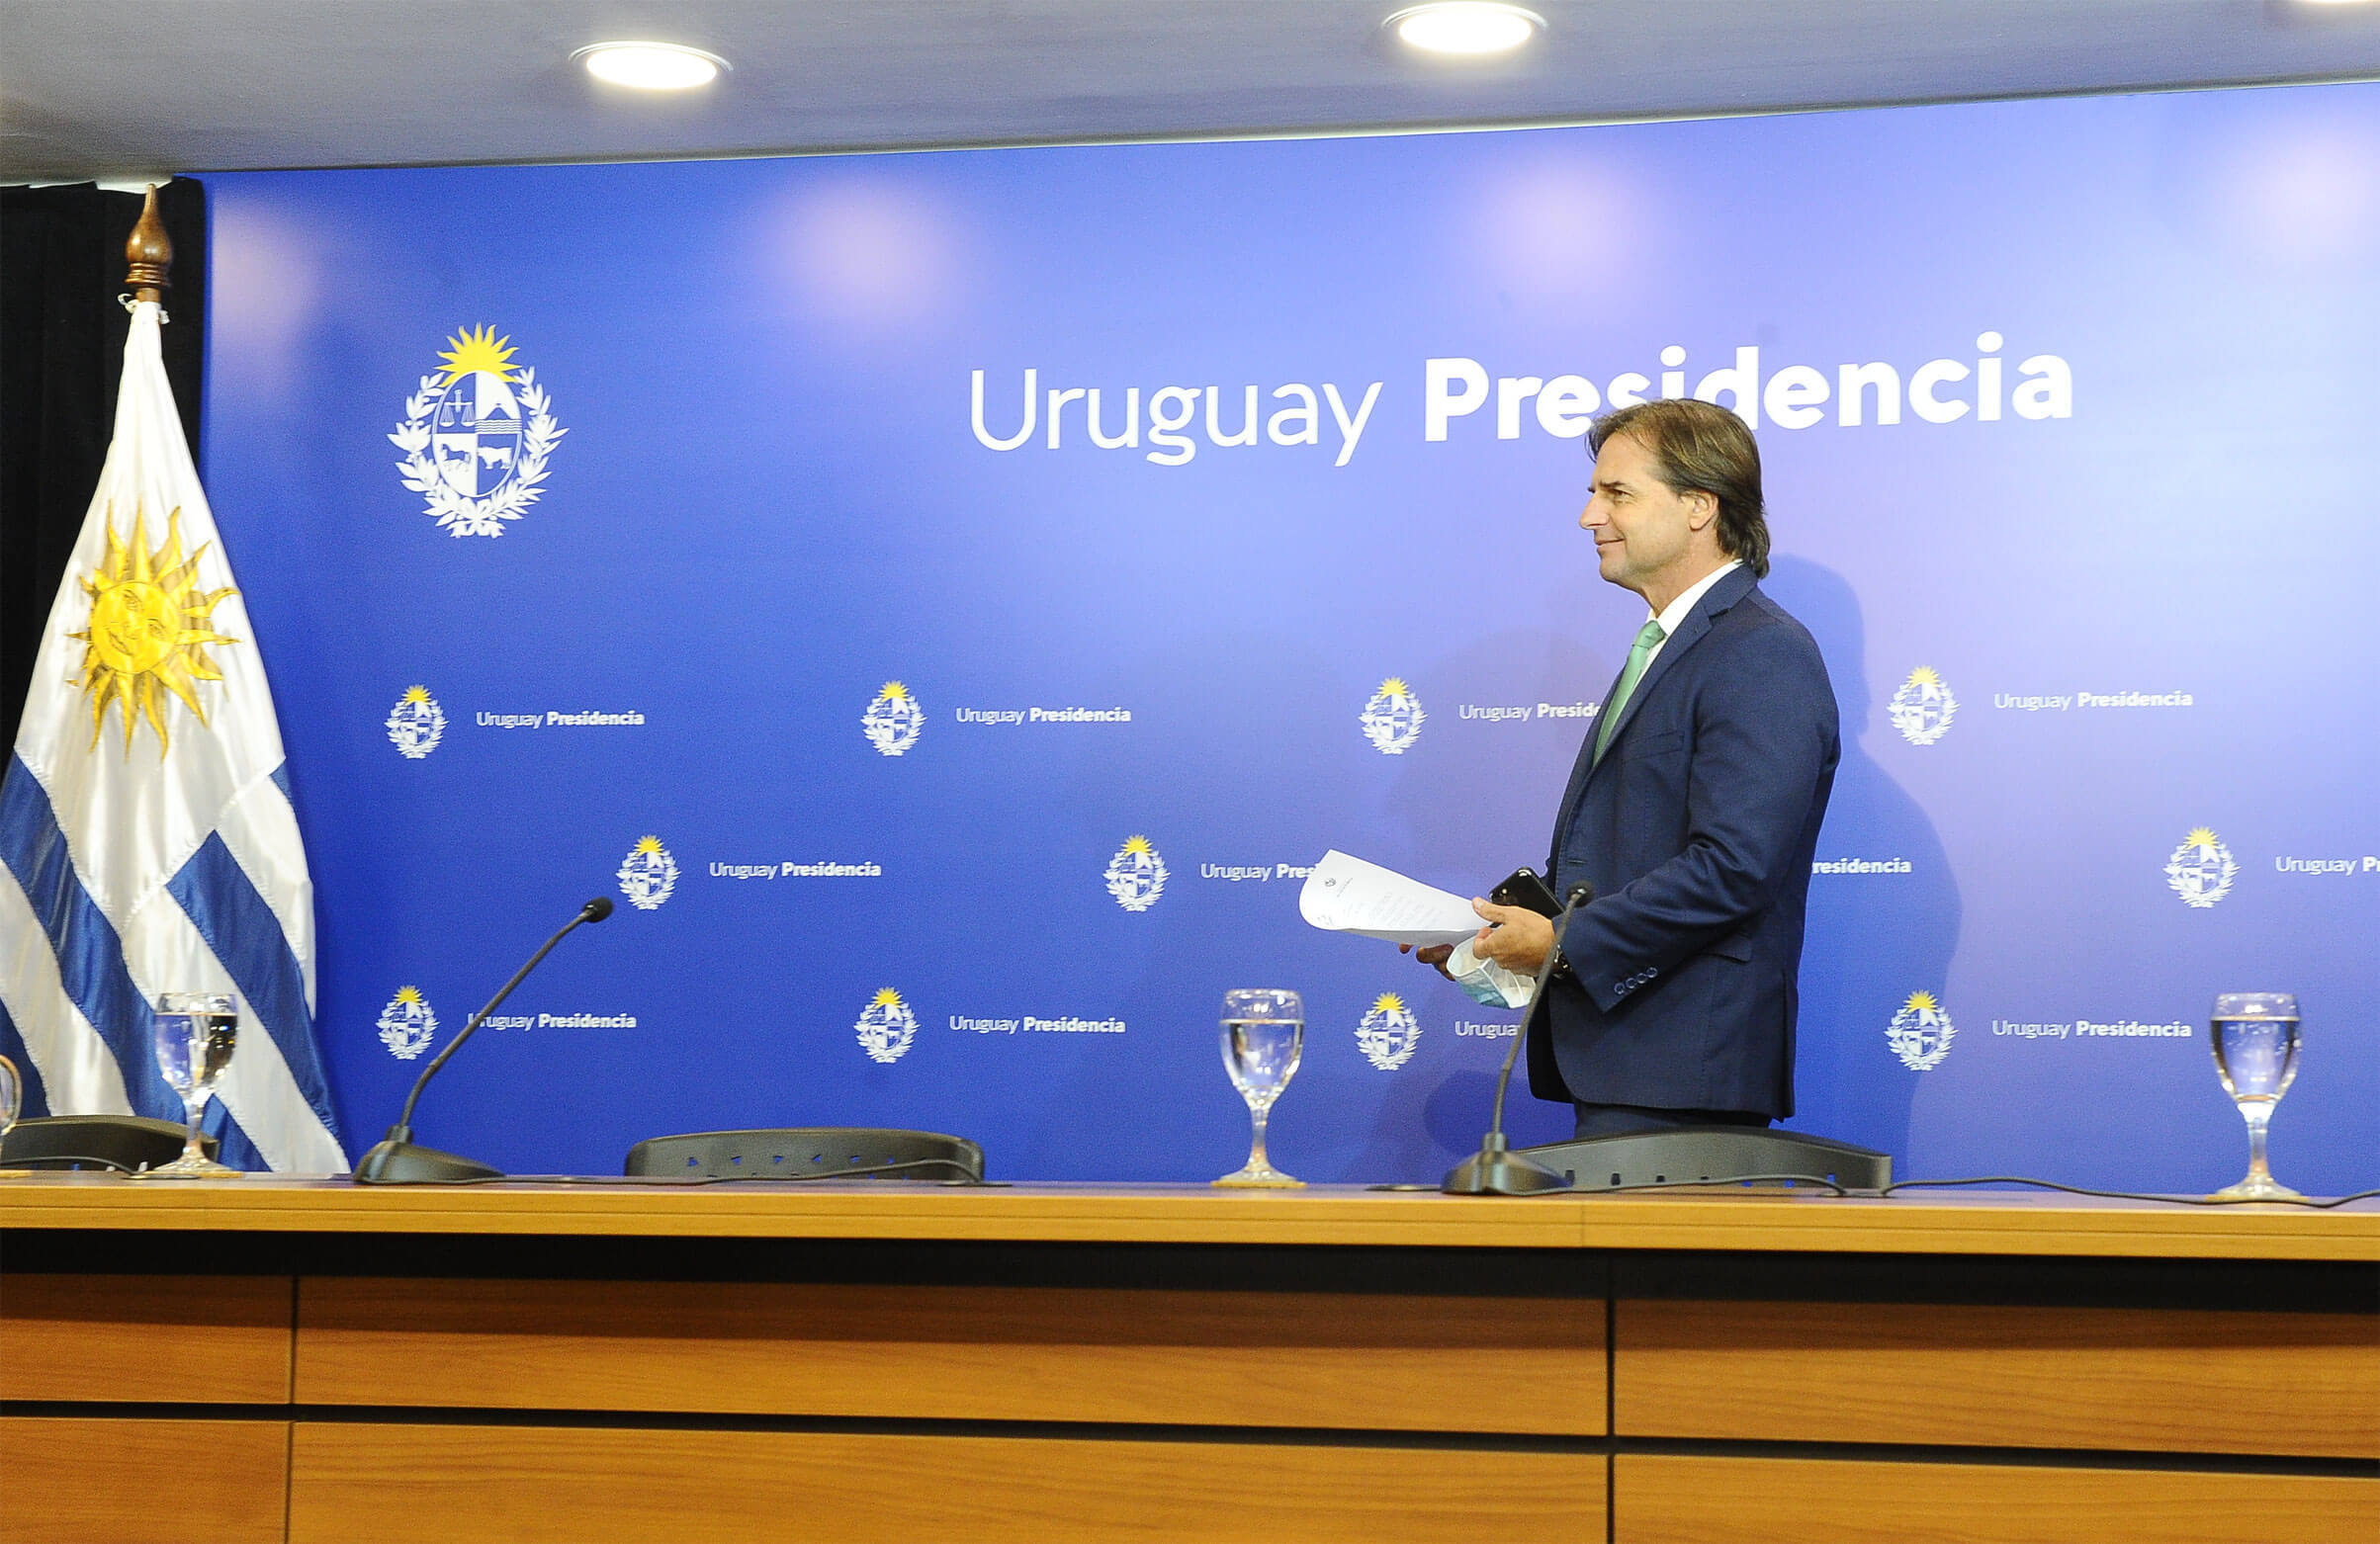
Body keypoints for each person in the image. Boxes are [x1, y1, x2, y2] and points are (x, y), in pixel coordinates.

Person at [1412, 397, 1839, 1138]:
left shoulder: (1760, 651)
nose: (1589, 517)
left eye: (1616, 494)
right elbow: (1633, 855)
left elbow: (1735, 867)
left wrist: (1560, 943)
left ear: (1699, 506)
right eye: (1592, 493)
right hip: (1627, 1057)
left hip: (1684, 1073)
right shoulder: (1672, 645)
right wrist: (1491, 944)